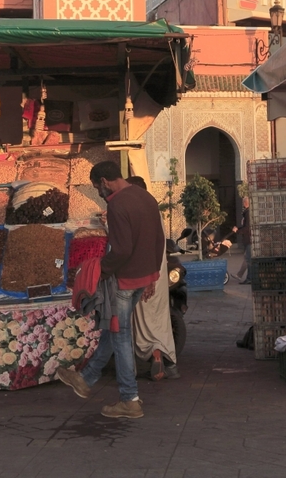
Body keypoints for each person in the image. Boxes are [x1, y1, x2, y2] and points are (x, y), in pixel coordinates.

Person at [57, 162, 164, 418]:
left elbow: (123, 249)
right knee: (113, 328)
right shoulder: (145, 196)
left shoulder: (117, 205)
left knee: (120, 336)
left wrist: (100, 270)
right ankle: (86, 379)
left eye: (97, 188)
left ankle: (130, 399)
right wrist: (152, 274)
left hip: (124, 281)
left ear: (104, 181)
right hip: (142, 277)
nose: (99, 193)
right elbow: (159, 238)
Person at [125, 175, 179, 381]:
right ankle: (168, 362)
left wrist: (148, 280)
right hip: (157, 275)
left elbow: (143, 247)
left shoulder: (139, 213)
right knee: (158, 319)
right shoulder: (153, 211)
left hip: (145, 275)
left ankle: (153, 358)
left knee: (142, 320)